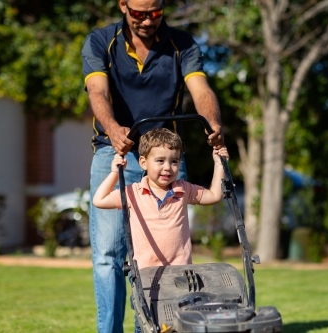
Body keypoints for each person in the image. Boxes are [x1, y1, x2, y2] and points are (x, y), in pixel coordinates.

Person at [81, 0, 223, 331]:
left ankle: (153, 327)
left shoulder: (182, 44)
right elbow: (97, 91)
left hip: (165, 159)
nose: (147, 20)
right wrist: (114, 130)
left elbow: (200, 89)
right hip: (113, 151)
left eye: (155, 13)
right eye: (139, 13)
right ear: (123, 6)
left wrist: (212, 123)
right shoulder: (102, 41)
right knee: (109, 256)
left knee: (167, 255)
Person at [92, 128, 228, 333]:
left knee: (178, 326)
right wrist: (114, 173)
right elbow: (98, 200)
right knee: (146, 325)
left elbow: (214, 195)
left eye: (174, 161)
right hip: (146, 277)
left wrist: (219, 164)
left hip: (180, 275)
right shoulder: (132, 192)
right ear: (143, 163)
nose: (168, 167)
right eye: (160, 161)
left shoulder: (183, 190)